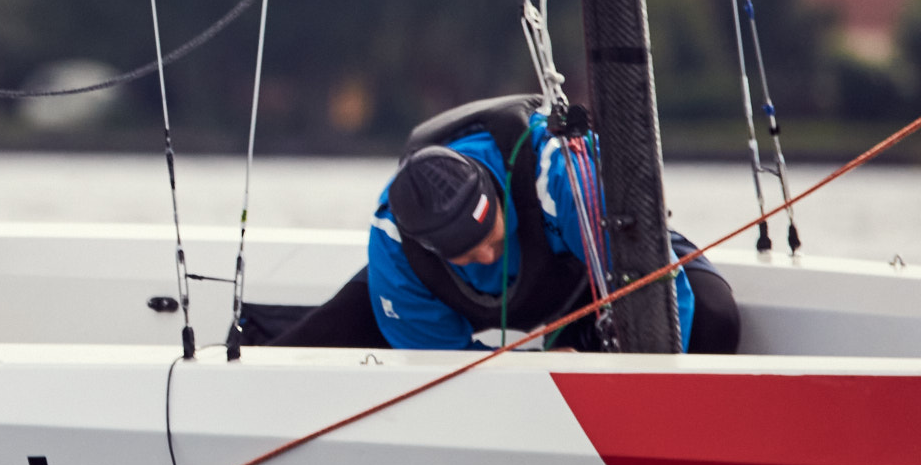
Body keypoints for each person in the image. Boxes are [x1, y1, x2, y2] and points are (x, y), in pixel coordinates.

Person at [245, 96, 739, 353]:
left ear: (498, 195)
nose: (486, 255)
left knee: (716, 318)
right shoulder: (395, 243)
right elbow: (438, 375)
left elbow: (667, 295)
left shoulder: (565, 181)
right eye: (467, 253)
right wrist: (538, 377)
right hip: (471, 306)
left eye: (491, 238)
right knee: (315, 343)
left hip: (584, 275)